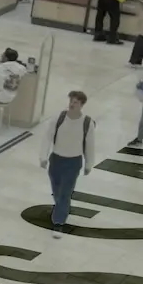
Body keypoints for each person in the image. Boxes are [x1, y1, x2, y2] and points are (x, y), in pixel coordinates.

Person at [38, 91, 95, 237]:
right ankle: (61, 207)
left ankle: (58, 223)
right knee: (56, 190)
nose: (72, 104)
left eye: (76, 102)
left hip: (73, 162)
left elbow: (90, 145)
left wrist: (89, 164)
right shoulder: (59, 117)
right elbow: (47, 137)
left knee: (65, 192)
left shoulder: (87, 123)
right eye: (71, 100)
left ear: (82, 105)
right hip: (56, 159)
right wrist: (43, 156)